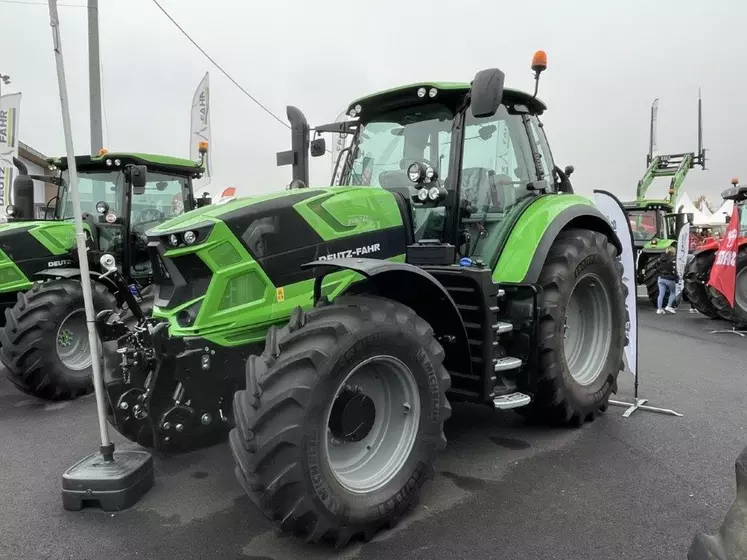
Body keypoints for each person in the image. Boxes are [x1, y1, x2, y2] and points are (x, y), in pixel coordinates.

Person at [655, 246, 678, 315]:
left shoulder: (660, 259)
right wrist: (677, 278)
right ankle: (669, 306)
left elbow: (655, 267)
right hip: (670, 278)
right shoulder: (673, 259)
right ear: (673, 252)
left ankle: (659, 309)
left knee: (661, 294)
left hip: (661, 278)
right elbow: (674, 270)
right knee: (673, 292)